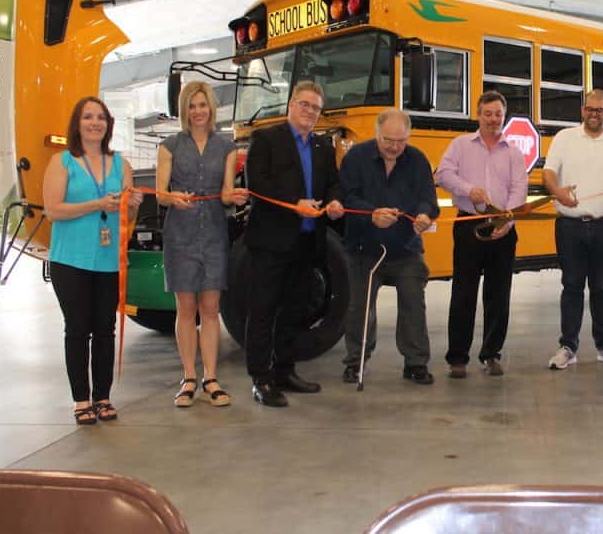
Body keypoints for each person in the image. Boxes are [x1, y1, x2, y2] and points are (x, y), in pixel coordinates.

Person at [242, 81, 344, 407]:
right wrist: (293, 203)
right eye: (305, 105)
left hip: (308, 241)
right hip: (271, 242)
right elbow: (257, 183)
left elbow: (332, 184)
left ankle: (285, 371)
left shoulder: (323, 147)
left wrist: (335, 201)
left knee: (295, 310)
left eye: (316, 108)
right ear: (290, 106)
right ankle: (260, 378)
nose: (310, 112)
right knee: (263, 310)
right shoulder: (267, 139)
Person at [42, 96, 142, 424]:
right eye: (88, 117)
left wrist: (133, 204)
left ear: (108, 124)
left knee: (105, 329)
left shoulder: (120, 164)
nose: (95, 122)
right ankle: (81, 400)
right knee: (77, 328)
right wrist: (97, 204)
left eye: (101, 117)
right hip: (70, 260)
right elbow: (53, 210)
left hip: (108, 260)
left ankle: (103, 396)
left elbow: (128, 216)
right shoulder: (62, 162)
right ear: (78, 123)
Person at [157, 81, 249, 408]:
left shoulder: (227, 148)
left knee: (210, 310)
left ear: (211, 108)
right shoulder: (168, 146)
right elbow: (161, 194)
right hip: (179, 234)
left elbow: (225, 194)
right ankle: (188, 377)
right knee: (186, 309)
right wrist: (172, 198)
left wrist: (234, 196)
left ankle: (211, 377)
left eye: (203, 105)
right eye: (192, 106)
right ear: (184, 110)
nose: (198, 111)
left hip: (213, 232)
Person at [340, 108, 440, 385]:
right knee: (359, 308)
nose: (395, 147)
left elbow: (428, 200)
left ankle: (416, 363)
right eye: (388, 141)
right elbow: (347, 197)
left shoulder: (418, 160)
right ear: (376, 134)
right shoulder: (356, 158)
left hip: (405, 247)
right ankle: (355, 362)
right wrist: (371, 214)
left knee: (413, 303)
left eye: (401, 141)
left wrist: (423, 216)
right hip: (364, 248)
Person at [435, 91, 527, 378]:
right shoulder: (461, 145)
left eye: (498, 114)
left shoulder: (513, 151)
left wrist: (507, 219)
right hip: (469, 225)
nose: (493, 119)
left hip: (503, 228)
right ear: (478, 115)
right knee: (463, 292)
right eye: (487, 113)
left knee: (499, 294)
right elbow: (442, 174)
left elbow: (519, 187)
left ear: (504, 116)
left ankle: (491, 354)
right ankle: (458, 358)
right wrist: (467, 189)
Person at [543, 89, 603, 369]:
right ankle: (568, 347)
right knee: (571, 286)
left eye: (600, 109)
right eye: (589, 109)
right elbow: (549, 172)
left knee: (602, 287)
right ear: (582, 110)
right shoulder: (564, 138)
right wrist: (557, 190)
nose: (594, 114)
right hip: (569, 226)